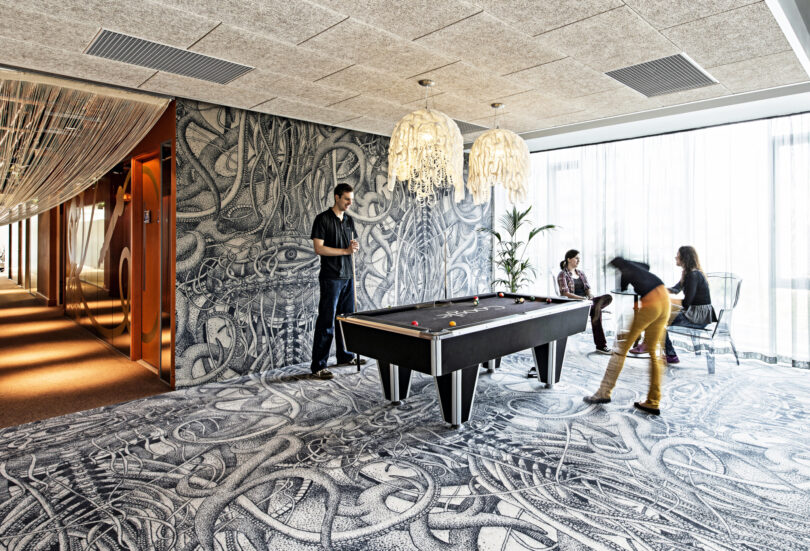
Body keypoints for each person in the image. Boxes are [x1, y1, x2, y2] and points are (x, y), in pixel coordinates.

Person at [584, 257, 671, 415]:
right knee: (653, 351)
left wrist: (622, 275)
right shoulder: (635, 266)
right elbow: (647, 265)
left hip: (651, 303)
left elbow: (622, 287)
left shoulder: (625, 271)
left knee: (621, 348)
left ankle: (604, 392)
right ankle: (653, 401)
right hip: (665, 300)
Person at [309, 183, 366, 380]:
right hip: (331, 278)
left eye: (351, 199)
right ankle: (318, 365)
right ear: (336, 197)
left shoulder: (349, 220)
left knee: (345, 320)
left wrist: (353, 246)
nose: (350, 202)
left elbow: (351, 245)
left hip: (348, 276)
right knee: (326, 321)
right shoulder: (322, 219)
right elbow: (319, 248)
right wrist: (345, 251)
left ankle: (345, 356)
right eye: (347, 199)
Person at [630, 246, 716, 364]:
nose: (676, 257)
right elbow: (675, 289)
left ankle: (668, 354)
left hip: (698, 317)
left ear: (684, 258)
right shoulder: (687, 273)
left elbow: (686, 303)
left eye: (678, 254)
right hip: (692, 311)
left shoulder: (693, 275)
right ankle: (650, 345)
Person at [557, 249, 613, 354]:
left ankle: (594, 306)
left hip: (587, 301)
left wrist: (590, 295)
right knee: (597, 311)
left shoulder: (581, 273)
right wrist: (581, 298)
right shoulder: (563, 274)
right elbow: (565, 293)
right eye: (576, 258)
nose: (578, 261)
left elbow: (587, 288)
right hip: (575, 303)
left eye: (579, 259)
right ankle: (601, 346)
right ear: (569, 259)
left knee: (608, 297)